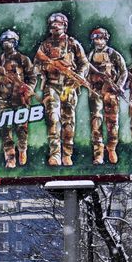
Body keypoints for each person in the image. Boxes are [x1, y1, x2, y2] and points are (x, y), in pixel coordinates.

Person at [34, 12, 89, 166]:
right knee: (53, 118)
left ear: (65, 25)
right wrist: (48, 65)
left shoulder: (72, 44)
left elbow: (84, 63)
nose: (55, 25)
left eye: (58, 23)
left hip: (69, 86)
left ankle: (67, 154)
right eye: (53, 23)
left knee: (68, 121)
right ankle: (55, 154)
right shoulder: (45, 46)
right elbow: (36, 66)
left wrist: (79, 75)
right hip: (51, 86)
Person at [0, 29, 37, 168]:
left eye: (9, 41)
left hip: (21, 99)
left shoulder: (23, 59)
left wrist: (28, 89)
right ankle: (10, 157)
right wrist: (0, 78)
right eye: (4, 41)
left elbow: (32, 77)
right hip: (4, 100)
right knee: (6, 130)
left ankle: (22, 151)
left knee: (22, 129)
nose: (7, 44)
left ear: (15, 42)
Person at [86, 27, 127, 164]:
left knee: (112, 122)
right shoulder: (90, 55)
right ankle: (98, 154)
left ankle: (111, 149)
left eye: (101, 38)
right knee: (96, 122)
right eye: (96, 39)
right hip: (95, 92)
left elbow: (123, 71)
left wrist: (119, 85)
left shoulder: (113, 54)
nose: (98, 41)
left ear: (105, 39)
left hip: (111, 92)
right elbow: (85, 71)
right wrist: (88, 83)